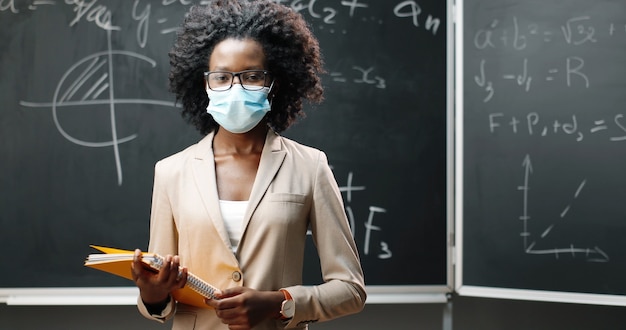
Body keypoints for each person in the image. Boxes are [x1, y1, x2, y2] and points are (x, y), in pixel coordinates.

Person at [130, 1, 366, 329]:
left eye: (252, 76)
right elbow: (162, 297)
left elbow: (351, 289)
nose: (236, 88)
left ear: (275, 83)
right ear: (204, 84)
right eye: (222, 77)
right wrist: (153, 294)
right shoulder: (171, 172)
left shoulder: (310, 166)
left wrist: (278, 303)